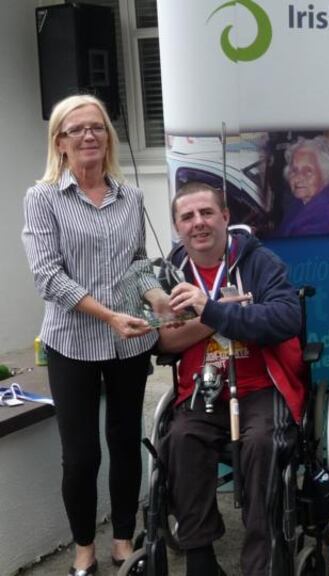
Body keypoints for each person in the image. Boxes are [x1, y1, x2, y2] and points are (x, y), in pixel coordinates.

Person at [22, 94, 171, 575]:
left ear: (108, 137)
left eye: (97, 128)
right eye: (76, 129)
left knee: (126, 441)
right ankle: (84, 547)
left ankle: (123, 540)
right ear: (60, 143)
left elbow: (135, 263)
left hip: (128, 340)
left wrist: (157, 298)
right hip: (73, 343)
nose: (89, 136)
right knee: (81, 455)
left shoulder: (131, 197)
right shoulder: (42, 198)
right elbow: (48, 276)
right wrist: (108, 316)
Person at [158, 181, 306, 576]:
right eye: (187, 216)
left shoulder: (261, 262)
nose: (198, 223)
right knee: (181, 440)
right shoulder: (169, 274)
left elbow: (286, 318)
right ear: (177, 226)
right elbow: (164, 339)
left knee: (261, 443)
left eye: (207, 213)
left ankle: (264, 560)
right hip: (202, 389)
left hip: (259, 386)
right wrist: (219, 314)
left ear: (226, 217)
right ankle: (200, 556)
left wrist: (209, 310)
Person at [275, 136, 329, 237]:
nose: (298, 178)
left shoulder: (322, 216)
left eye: (308, 171)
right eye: (294, 171)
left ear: (325, 175)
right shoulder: (302, 202)